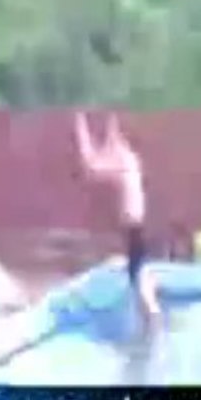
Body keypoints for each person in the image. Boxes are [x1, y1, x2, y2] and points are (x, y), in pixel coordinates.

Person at [74, 112, 163, 327]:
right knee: (136, 269)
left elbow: (92, 166)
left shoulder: (125, 160)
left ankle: (153, 315)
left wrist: (81, 131)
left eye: (112, 139)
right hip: (134, 223)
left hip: (133, 223)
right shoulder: (129, 159)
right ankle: (150, 310)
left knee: (137, 274)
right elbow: (98, 161)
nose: (109, 144)